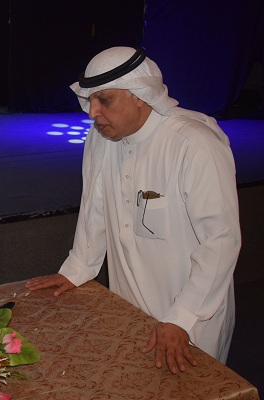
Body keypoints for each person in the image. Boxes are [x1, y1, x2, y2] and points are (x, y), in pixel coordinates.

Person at [26, 47, 241, 374]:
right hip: (128, 306)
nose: (92, 113)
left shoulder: (194, 144)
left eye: (104, 100)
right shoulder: (101, 139)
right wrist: (78, 267)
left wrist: (182, 318)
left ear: (140, 95)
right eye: (90, 100)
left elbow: (221, 241)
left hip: (193, 317)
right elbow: (95, 207)